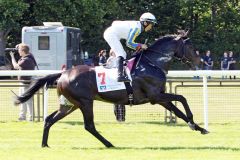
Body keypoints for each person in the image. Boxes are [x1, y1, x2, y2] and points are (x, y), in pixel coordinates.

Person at [104, 12, 157, 82]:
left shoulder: (137, 25)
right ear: (145, 23)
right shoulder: (137, 28)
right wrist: (141, 45)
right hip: (111, 34)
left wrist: (139, 47)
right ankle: (120, 76)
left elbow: (114, 23)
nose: (151, 27)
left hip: (112, 33)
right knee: (121, 54)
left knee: (123, 54)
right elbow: (129, 43)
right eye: (151, 24)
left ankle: (119, 71)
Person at [10, 43, 37, 121]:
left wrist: (12, 57)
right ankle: (22, 117)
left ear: (23, 51)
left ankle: (31, 117)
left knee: (28, 100)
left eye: (19, 50)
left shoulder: (26, 60)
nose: (18, 52)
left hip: (26, 83)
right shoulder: (29, 57)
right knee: (22, 100)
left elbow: (15, 66)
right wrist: (19, 46)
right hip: (24, 82)